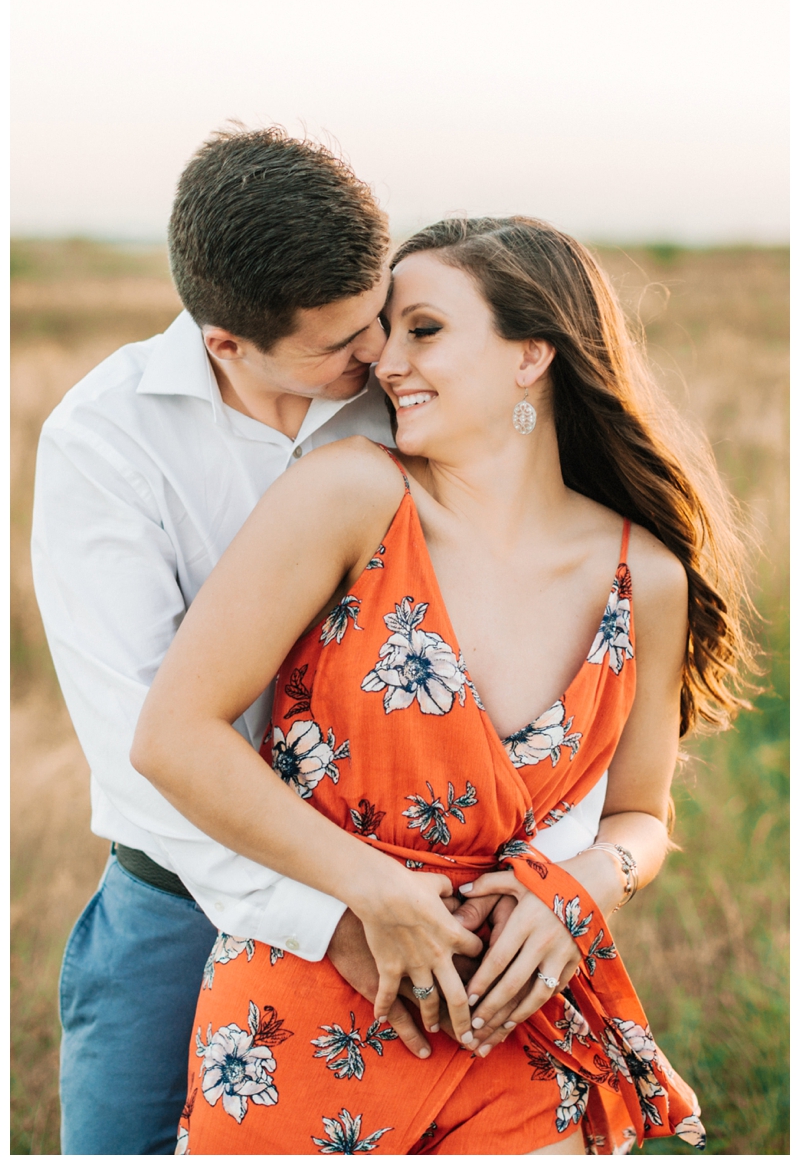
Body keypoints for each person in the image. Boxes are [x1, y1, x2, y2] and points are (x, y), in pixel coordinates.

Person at [133, 217, 752, 1153]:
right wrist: (374, 894)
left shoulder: (645, 579)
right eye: (385, 330)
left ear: (531, 353)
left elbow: (641, 817)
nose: (386, 359)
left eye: (423, 328)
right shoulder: (352, 495)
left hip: (514, 1012)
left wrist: (579, 889)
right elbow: (174, 736)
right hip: (306, 1005)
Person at [31, 124, 434, 1156]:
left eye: (377, 316)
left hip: (407, 880)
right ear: (225, 342)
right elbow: (144, 736)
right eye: (340, 342)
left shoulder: (402, 409)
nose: (377, 354)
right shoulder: (105, 438)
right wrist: (333, 910)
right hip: (180, 903)